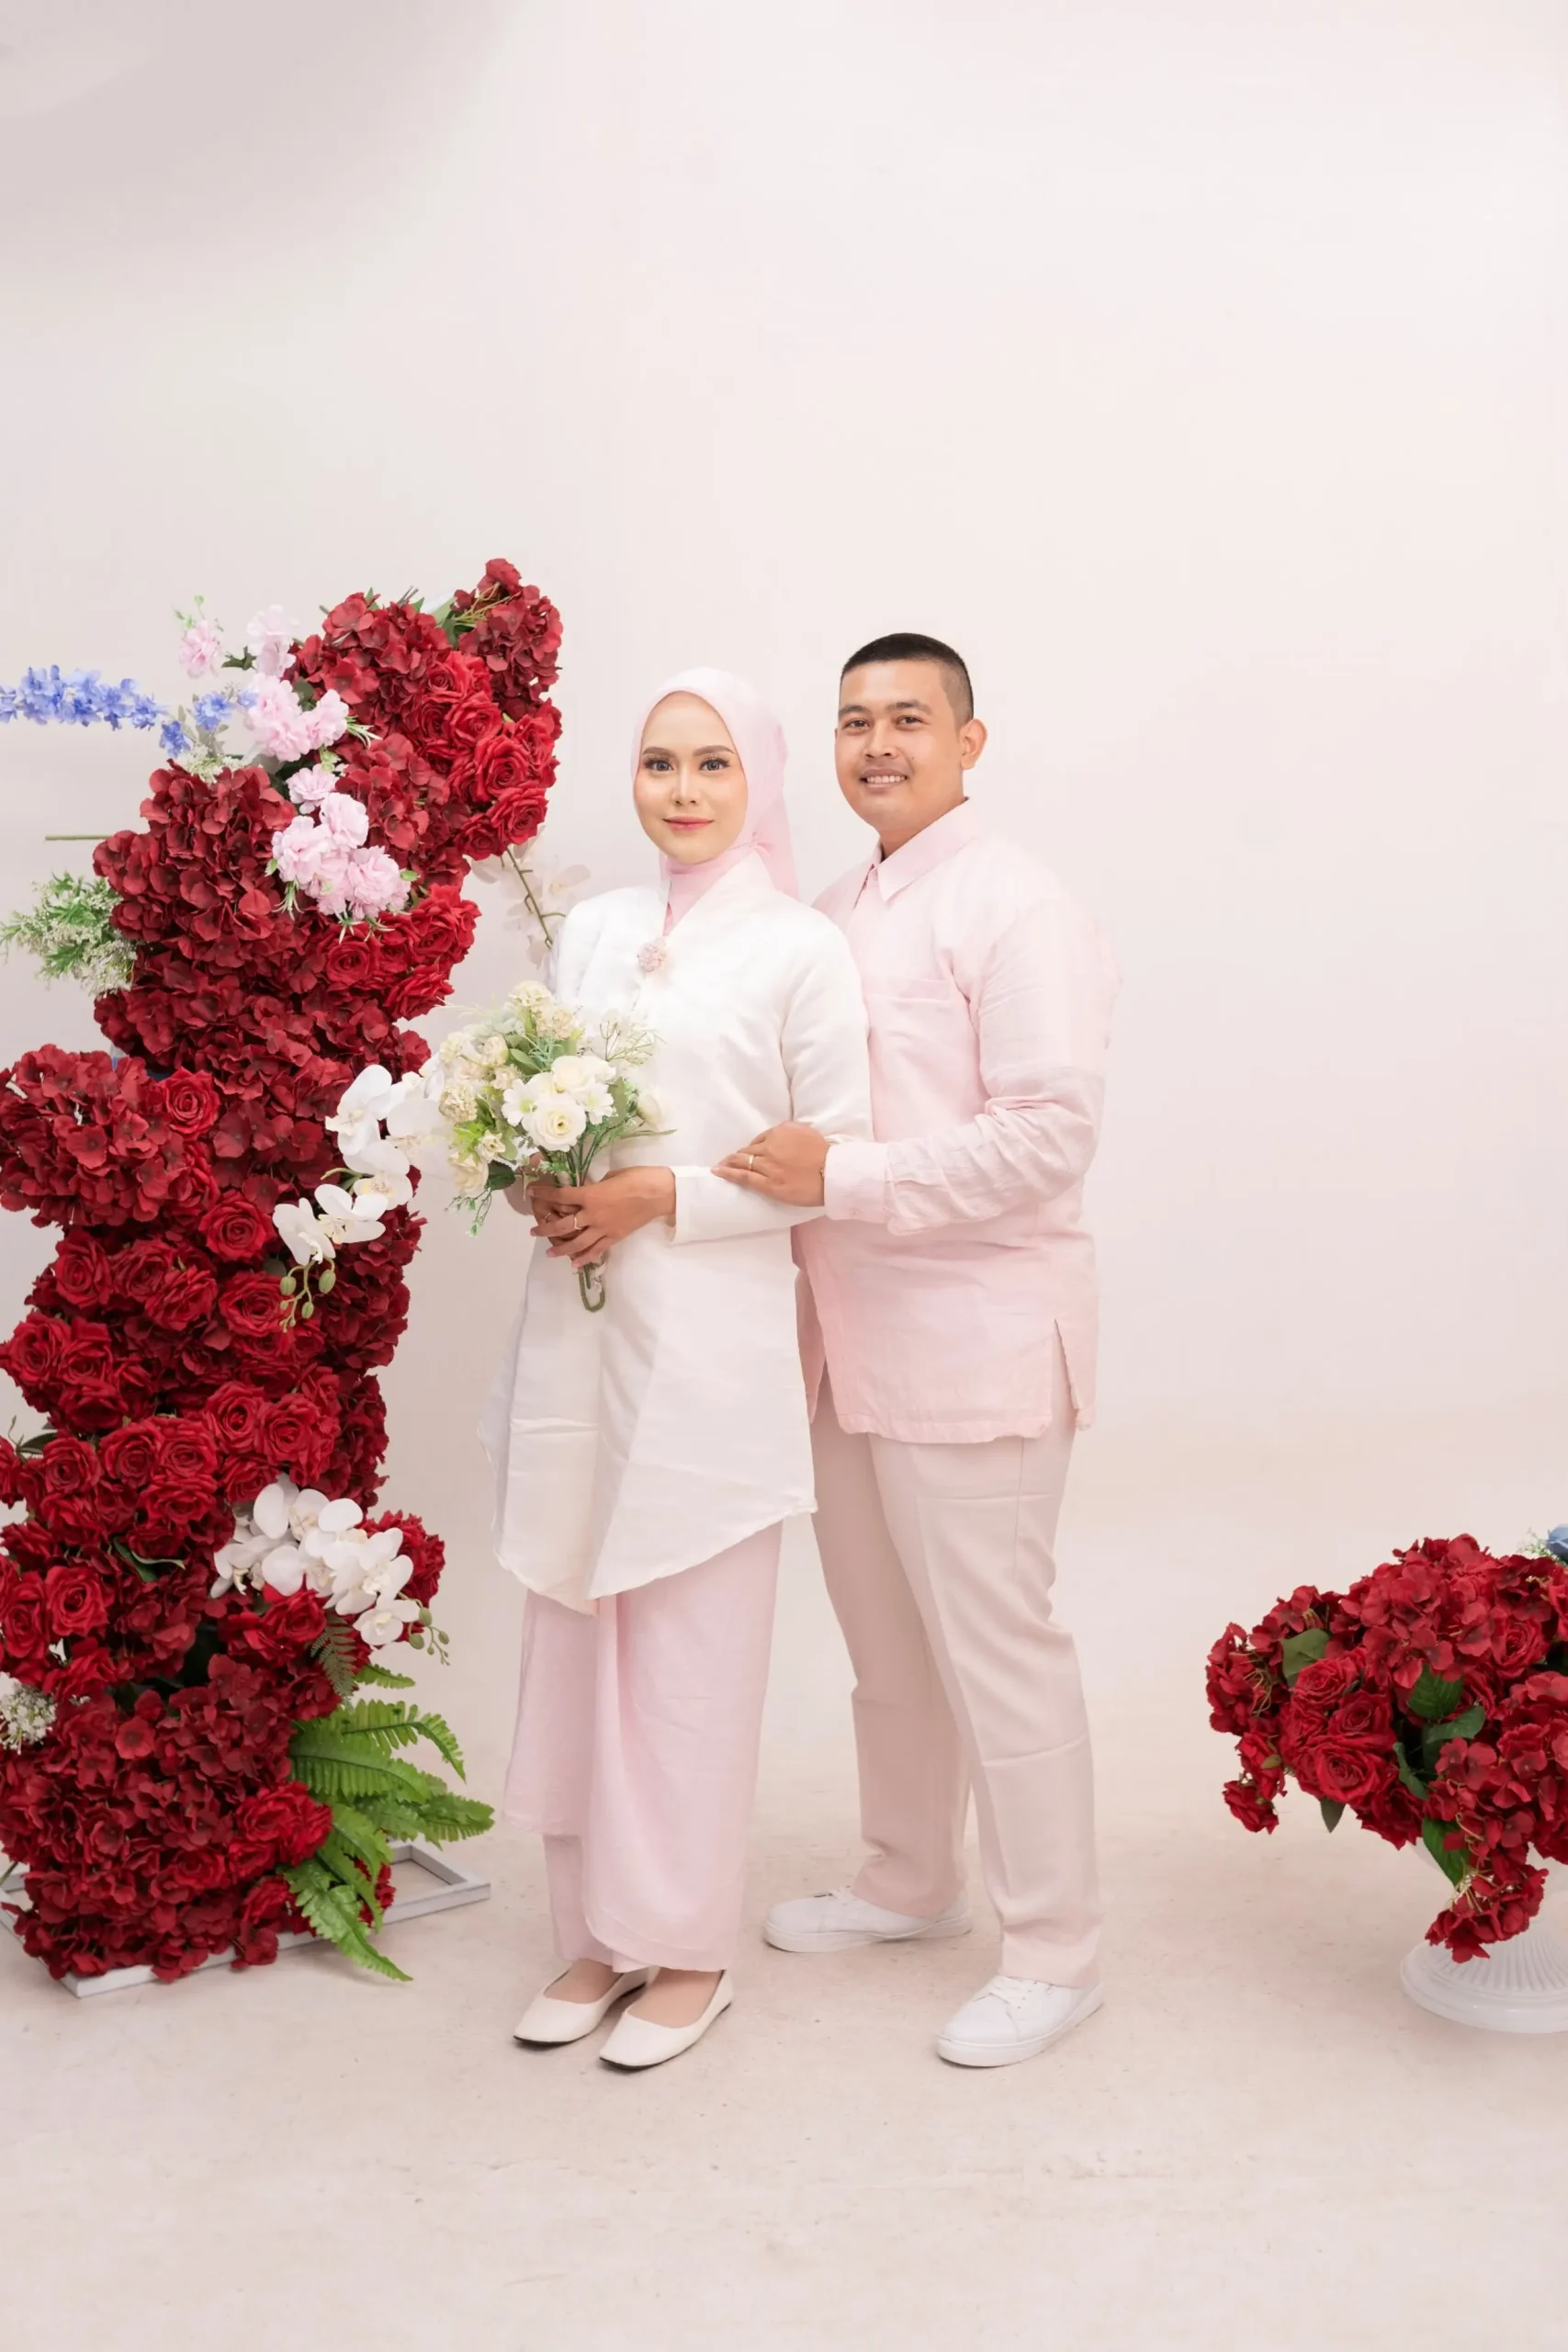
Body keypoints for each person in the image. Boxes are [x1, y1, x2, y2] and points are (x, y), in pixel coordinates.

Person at [716, 632, 1118, 2069]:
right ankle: (907, 1878)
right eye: (852, 721)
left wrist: (844, 1177)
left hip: (974, 1339)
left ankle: (1055, 1952)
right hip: (842, 1342)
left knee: (996, 1655)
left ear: (967, 741)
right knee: (885, 1646)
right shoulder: (829, 910)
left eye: (905, 718)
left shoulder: (1017, 906)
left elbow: (1048, 1134)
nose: (876, 744)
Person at [482, 669, 872, 2071]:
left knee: (690, 1657)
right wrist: (530, 1176)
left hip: (709, 1345)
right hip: (580, 1336)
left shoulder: (799, 949)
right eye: (660, 762)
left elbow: (831, 1162)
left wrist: (663, 1197)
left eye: (713, 763)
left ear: (756, 781)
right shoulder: (589, 930)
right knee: (579, 1633)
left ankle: (690, 1950)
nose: (685, 789)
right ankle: (595, 1937)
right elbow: (534, 1101)